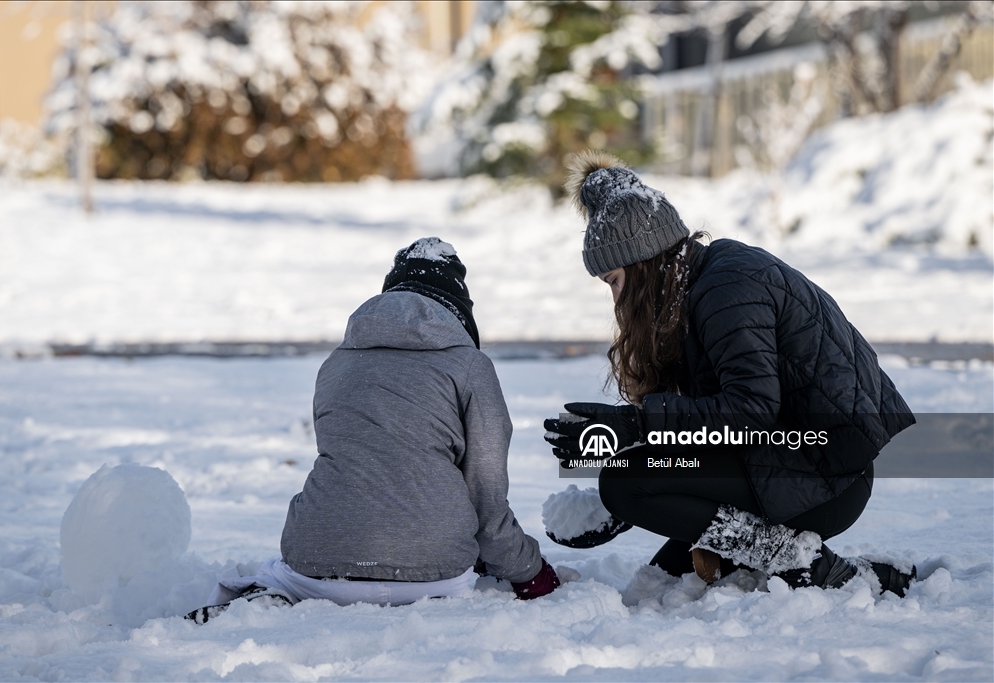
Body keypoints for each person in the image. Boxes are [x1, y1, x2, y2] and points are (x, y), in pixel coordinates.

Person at [544, 151, 916, 595]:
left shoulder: (727, 289)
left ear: (643, 262)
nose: (617, 299)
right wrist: (621, 497)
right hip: (785, 461)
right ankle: (823, 566)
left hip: (823, 478)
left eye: (614, 280)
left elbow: (750, 410)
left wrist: (634, 428)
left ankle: (801, 562)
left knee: (626, 481)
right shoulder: (702, 282)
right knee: (669, 574)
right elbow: (713, 424)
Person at [188, 238, 558, 623]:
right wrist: (531, 573)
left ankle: (269, 595)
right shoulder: (469, 366)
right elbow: (487, 501)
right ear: (459, 310)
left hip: (317, 567)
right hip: (434, 576)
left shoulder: (336, 363)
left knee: (278, 574)